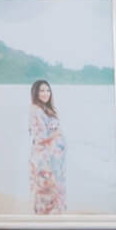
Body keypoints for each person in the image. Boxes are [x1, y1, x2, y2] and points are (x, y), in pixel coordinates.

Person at [27, 79, 67, 215]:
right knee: (45, 192)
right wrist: (56, 134)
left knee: (52, 193)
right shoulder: (36, 110)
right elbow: (39, 138)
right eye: (42, 90)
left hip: (52, 160)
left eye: (48, 90)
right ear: (36, 93)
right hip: (43, 161)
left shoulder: (47, 109)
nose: (46, 93)